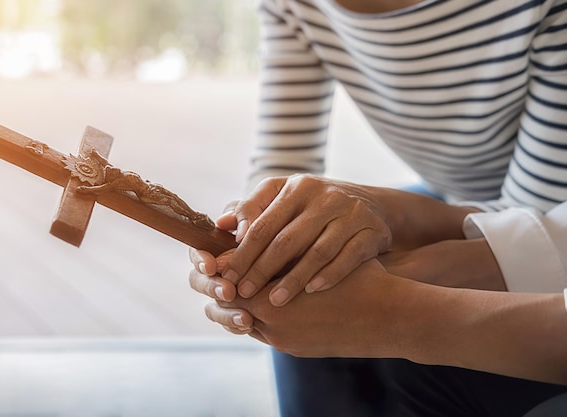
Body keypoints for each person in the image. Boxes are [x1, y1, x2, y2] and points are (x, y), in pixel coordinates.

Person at [188, 0, 567, 415]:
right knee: (303, 269)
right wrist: (258, 238)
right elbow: (279, 170)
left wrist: (390, 298)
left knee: (319, 282)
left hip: (545, 209)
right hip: (466, 201)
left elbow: (540, 233)